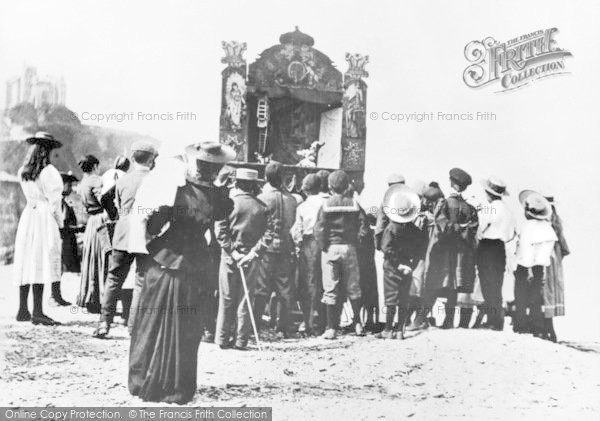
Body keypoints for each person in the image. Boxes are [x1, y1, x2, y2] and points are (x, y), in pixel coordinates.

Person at [128, 141, 234, 404]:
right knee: (187, 326)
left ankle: (145, 379)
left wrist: (149, 238)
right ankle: (177, 385)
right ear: (216, 168)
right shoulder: (219, 197)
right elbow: (220, 218)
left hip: (166, 259)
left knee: (152, 321)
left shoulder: (178, 191)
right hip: (196, 263)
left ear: (196, 164)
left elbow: (154, 223)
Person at [93, 141, 158, 338]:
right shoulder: (156, 180)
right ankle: (134, 326)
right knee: (141, 279)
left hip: (123, 231)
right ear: (151, 159)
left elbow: (116, 205)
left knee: (114, 278)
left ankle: (104, 323)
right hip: (146, 233)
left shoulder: (122, 180)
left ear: (133, 158)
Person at [215, 168, 274, 350]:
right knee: (246, 298)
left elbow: (220, 232)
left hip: (229, 257)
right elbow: (269, 234)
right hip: (251, 258)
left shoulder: (227, 204)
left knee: (226, 298)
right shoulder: (262, 207)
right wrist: (252, 254)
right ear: (254, 185)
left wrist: (233, 252)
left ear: (237, 183)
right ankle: (241, 341)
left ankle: (223, 339)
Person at [13, 132, 64, 326]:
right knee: (40, 258)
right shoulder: (49, 172)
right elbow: (55, 203)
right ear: (48, 150)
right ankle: (38, 311)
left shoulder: (23, 171)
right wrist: (59, 224)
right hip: (43, 216)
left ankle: (22, 309)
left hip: (29, 214)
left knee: (26, 258)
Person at [314, 170, 369, 339]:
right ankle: (358, 323)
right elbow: (364, 228)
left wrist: (324, 246)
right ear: (346, 186)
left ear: (330, 186)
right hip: (349, 248)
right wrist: (356, 243)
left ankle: (331, 328)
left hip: (331, 249)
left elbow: (319, 228)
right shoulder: (354, 204)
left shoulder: (326, 205)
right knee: (353, 287)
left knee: (330, 288)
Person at [422, 168, 478, 329]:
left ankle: (421, 319)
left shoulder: (444, 203)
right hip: (462, 253)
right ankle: (448, 321)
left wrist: (455, 228)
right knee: (454, 286)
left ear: (451, 183)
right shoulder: (470, 208)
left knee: (438, 283)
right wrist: (462, 227)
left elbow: (443, 227)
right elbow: (472, 230)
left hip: (445, 251)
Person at [253, 162, 298, 339]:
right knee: (285, 289)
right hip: (286, 247)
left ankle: (255, 326)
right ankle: (283, 327)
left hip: (266, 248)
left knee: (261, 287)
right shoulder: (292, 200)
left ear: (266, 178)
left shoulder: (261, 199)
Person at [378, 184, 426, 339]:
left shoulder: (391, 229)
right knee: (404, 298)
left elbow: (386, 248)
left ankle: (387, 329)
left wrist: (398, 264)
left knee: (391, 298)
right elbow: (420, 251)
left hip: (392, 267)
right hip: (408, 268)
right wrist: (410, 266)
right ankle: (400, 330)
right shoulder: (415, 231)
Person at [513, 190, 557, 337]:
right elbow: (546, 253)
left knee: (520, 296)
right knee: (536, 297)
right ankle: (537, 326)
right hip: (540, 267)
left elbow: (525, 250)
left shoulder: (528, 227)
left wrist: (527, 268)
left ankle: (520, 325)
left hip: (525, 266)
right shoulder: (548, 229)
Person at [474, 177, 516, 330]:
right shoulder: (507, 211)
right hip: (500, 247)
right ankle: (497, 320)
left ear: (488, 193)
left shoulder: (489, 208)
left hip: (487, 246)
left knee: (487, 283)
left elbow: (480, 227)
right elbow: (511, 234)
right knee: (496, 284)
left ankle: (493, 321)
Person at [291, 173, 327, 336]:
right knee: (324, 281)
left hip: (308, 244)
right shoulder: (327, 202)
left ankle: (308, 322)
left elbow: (296, 231)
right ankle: (324, 321)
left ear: (305, 190)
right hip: (326, 243)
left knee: (307, 282)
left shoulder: (302, 207)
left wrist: (298, 245)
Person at [76, 154, 109, 314]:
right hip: (101, 220)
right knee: (101, 258)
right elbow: (103, 199)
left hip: (91, 222)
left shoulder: (82, 183)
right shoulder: (96, 180)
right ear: (95, 166)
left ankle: (90, 296)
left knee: (90, 259)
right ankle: (100, 299)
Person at [51, 171, 84, 307]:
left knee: (59, 267)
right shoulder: (58, 202)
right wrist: (79, 228)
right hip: (60, 238)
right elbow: (63, 226)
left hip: (64, 238)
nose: (70, 188)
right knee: (57, 266)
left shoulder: (62, 202)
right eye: (68, 184)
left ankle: (56, 295)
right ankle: (54, 296)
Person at [542, 194, 569, 342]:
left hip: (544, 261)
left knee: (543, 293)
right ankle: (549, 329)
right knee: (549, 295)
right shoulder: (556, 224)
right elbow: (565, 249)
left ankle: (546, 328)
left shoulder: (542, 223)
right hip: (553, 262)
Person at [374, 173, 406, 250]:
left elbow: (381, 224)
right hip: (407, 241)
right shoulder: (410, 201)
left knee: (389, 260)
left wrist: (377, 243)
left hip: (391, 241)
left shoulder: (385, 202)